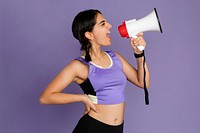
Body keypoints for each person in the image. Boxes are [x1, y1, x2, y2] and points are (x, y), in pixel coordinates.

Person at [40, 9, 150, 133]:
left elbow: (143, 83)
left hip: (117, 129)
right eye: (102, 24)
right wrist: (82, 98)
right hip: (92, 128)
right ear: (89, 35)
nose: (110, 26)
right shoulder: (79, 66)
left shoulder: (115, 57)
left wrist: (139, 53)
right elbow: (46, 97)